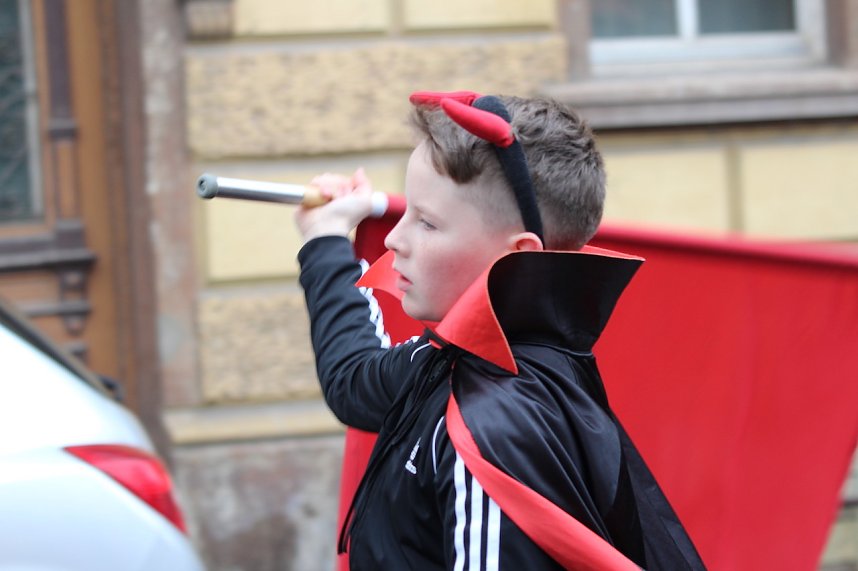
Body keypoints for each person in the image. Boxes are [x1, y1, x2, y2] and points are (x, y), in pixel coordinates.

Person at [295, 90, 705, 570]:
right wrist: (325, 240)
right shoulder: (456, 359)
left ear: (518, 255)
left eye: (426, 223)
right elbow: (354, 382)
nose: (392, 238)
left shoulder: (489, 425)